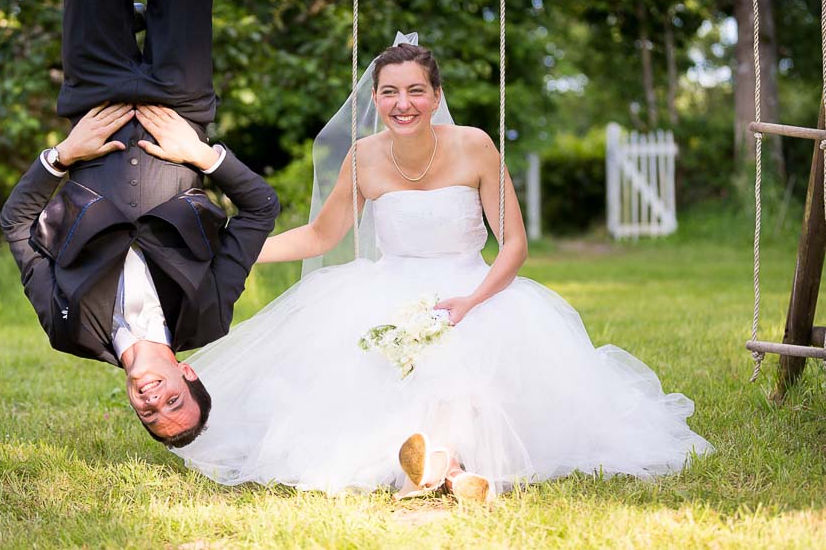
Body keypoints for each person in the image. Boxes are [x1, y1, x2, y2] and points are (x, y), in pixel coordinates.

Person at [172, 39, 712, 500]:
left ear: (436, 97)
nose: (402, 104)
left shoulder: (475, 145)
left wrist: (473, 302)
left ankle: (439, 463)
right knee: (371, 368)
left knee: (465, 363)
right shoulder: (363, 157)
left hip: (475, 288)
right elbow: (320, 235)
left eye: (415, 91)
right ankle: (443, 469)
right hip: (388, 287)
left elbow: (515, 246)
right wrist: (239, 251)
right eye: (389, 92)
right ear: (375, 98)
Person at [0, 0, 280, 448]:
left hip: (93, 96)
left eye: (149, 413)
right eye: (172, 400)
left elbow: (15, 225)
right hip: (181, 98)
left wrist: (61, 156)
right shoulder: (209, 316)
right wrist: (203, 155)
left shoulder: (69, 330)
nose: (153, 399)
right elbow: (262, 208)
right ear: (189, 375)